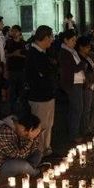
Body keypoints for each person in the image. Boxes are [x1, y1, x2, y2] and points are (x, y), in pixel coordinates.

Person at [0, 112, 45, 178]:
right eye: (36, 133)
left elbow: (32, 149)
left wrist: (32, 138)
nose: (36, 136)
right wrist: (30, 139)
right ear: (30, 129)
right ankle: (37, 172)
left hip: (9, 161)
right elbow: (18, 156)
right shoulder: (5, 131)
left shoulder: (19, 129)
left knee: (38, 153)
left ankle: (29, 171)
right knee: (23, 166)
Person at [25, 25, 57, 156]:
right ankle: (39, 152)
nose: (52, 40)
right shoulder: (34, 54)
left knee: (48, 124)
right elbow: (40, 75)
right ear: (44, 37)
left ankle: (46, 148)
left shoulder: (43, 52)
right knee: (40, 125)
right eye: (51, 37)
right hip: (39, 96)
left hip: (47, 94)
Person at [59, 29, 87, 142]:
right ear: (65, 40)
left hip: (77, 82)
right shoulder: (65, 52)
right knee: (77, 108)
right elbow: (73, 68)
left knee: (75, 108)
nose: (75, 42)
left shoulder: (71, 51)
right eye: (72, 40)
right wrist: (83, 63)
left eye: (75, 40)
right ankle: (73, 134)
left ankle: (73, 132)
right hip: (73, 83)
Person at [77, 36, 94, 135]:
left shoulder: (88, 57)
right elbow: (81, 72)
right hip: (85, 85)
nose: (89, 48)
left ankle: (89, 126)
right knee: (87, 107)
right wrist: (88, 82)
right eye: (87, 46)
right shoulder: (78, 58)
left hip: (91, 83)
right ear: (81, 47)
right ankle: (85, 128)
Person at [5, 25, 27, 115]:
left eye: (16, 31)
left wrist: (20, 55)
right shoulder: (8, 43)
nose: (14, 32)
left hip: (21, 70)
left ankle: (21, 111)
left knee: (22, 92)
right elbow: (5, 55)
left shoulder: (24, 43)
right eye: (12, 31)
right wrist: (14, 54)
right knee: (12, 92)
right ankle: (12, 111)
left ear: (20, 32)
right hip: (12, 70)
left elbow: (27, 56)